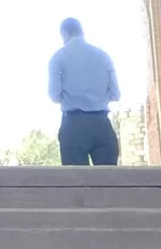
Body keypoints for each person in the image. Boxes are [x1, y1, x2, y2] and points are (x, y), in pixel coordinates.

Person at [48, 18, 120, 165]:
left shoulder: (58, 58)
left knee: (76, 182)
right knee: (108, 181)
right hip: (101, 123)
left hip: (73, 123)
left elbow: (54, 95)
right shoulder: (103, 56)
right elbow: (115, 94)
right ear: (82, 32)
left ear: (64, 34)